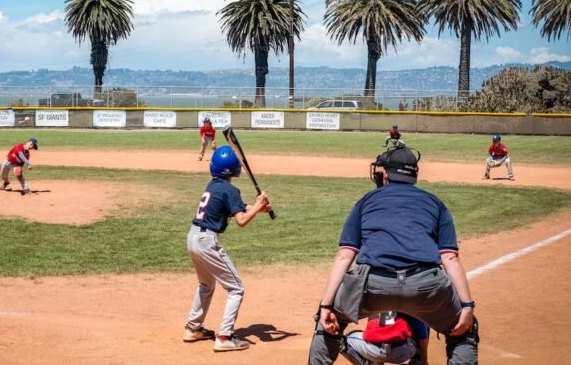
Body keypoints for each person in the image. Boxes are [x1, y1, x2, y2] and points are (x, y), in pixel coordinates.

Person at [308, 145, 478, 365]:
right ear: (414, 174)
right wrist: (467, 307)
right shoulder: (436, 204)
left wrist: (326, 306)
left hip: (373, 285)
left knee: (329, 324)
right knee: (465, 330)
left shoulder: (366, 201)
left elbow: (345, 254)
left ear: (386, 173)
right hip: (425, 286)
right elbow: (450, 258)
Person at [183, 145, 272, 352]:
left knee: (206, 285)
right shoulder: (230, 189)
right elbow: (241, 220)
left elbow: (237, 207)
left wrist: (258, 208)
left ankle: (193, 328)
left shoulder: (213, 186)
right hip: (207, 242)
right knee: (236, 288)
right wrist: (258, 206)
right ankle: (224, 337)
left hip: (193, 237)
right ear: (234, 169)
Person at [342, 312, 429, 365]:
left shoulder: (372, 291)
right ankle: (418, 362)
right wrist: (424, 360)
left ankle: (372, 363)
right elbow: (420, 330)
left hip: (374, 351)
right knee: (422, 321)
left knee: (342, 341)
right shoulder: (407, 295)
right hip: (404, 351)